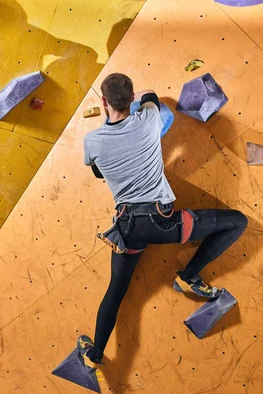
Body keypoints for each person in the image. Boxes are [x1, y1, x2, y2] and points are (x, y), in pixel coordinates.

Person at [79, 73, 248, 368]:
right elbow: (152, 94)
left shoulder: (92, 141)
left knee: (115, 291)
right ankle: (188, 276)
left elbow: (98, 172)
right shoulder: (148, 118)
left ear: (103, 102)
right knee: (237, 222)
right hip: (164, 222)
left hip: (127, 229)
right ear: (132, 99)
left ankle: (94, 357)